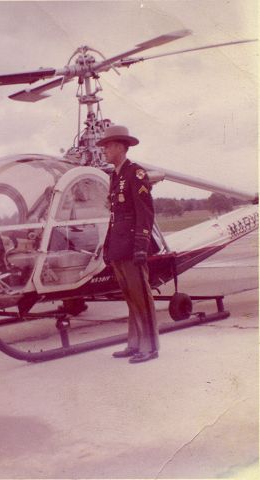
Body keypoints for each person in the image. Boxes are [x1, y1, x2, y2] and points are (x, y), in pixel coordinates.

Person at [98, 125, 160, 364]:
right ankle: (134, 344)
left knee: (142, 297)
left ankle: (150, 347)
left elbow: (145, 212)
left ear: (121, 147)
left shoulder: (136, 173)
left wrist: (141, 245)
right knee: (130, 297)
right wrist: (108, 246)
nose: (104, 150)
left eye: (108, 146)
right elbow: (115, 216)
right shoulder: (115, 176)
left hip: (134, 247)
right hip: (119, 247)